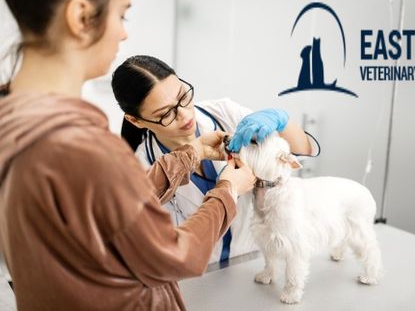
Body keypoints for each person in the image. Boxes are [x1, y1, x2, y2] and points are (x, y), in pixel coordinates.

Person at [0, 0, 255, 310]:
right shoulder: (83, 149)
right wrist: (228, 190)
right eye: (122, 15)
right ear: (81, 16)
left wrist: (191, 153)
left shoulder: (15, 121)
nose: (124, 34)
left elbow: (108, 210)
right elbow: (177, 255)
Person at [111, 55, 321, 263]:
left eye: (183, 96)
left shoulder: (223, 113)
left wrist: (280, 120)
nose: (184, 115)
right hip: (200, 275)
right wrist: (230, 189)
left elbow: (304, 149)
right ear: (135, 121)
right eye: (166, 114)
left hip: (255, 260)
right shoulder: (142, 169)